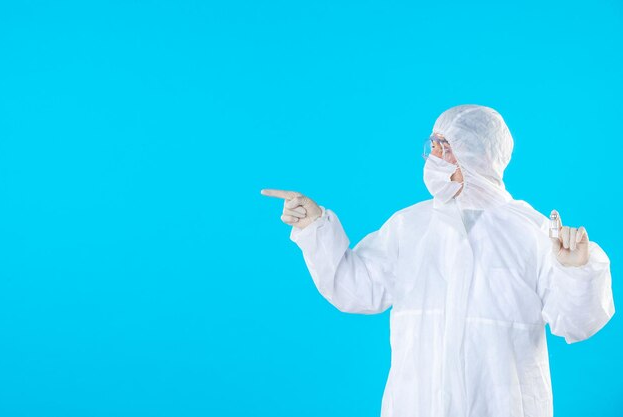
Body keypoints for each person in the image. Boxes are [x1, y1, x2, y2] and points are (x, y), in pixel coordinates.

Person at [260, 104, 615, 417]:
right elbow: (354, 288)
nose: (433, 156)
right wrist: (315, 226)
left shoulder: (531, 233)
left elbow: (575, 324)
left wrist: (577, 269)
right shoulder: (409, 226)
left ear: (478, 154)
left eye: (445, 146)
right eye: (431, 145)